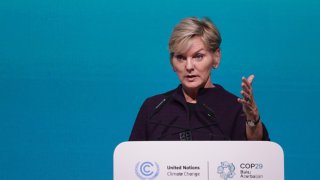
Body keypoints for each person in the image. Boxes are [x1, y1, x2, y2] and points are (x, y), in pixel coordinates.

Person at [129, 17, 269, 141]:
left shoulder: (234, 108)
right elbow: (133, 163)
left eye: (198, 56)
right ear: (172, 62)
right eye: (181, 57)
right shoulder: (152, 107)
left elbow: (257, 157)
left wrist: (253, 119)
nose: (189, 66)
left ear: (216, 57)